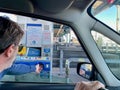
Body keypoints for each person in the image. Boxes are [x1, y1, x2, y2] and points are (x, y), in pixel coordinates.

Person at [0, 16, 105, 90]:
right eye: (19, 46)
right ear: (10, 50)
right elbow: (14, 68)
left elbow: (14, 68)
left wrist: (33, 68)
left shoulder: (3, 68)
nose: (19, 51)